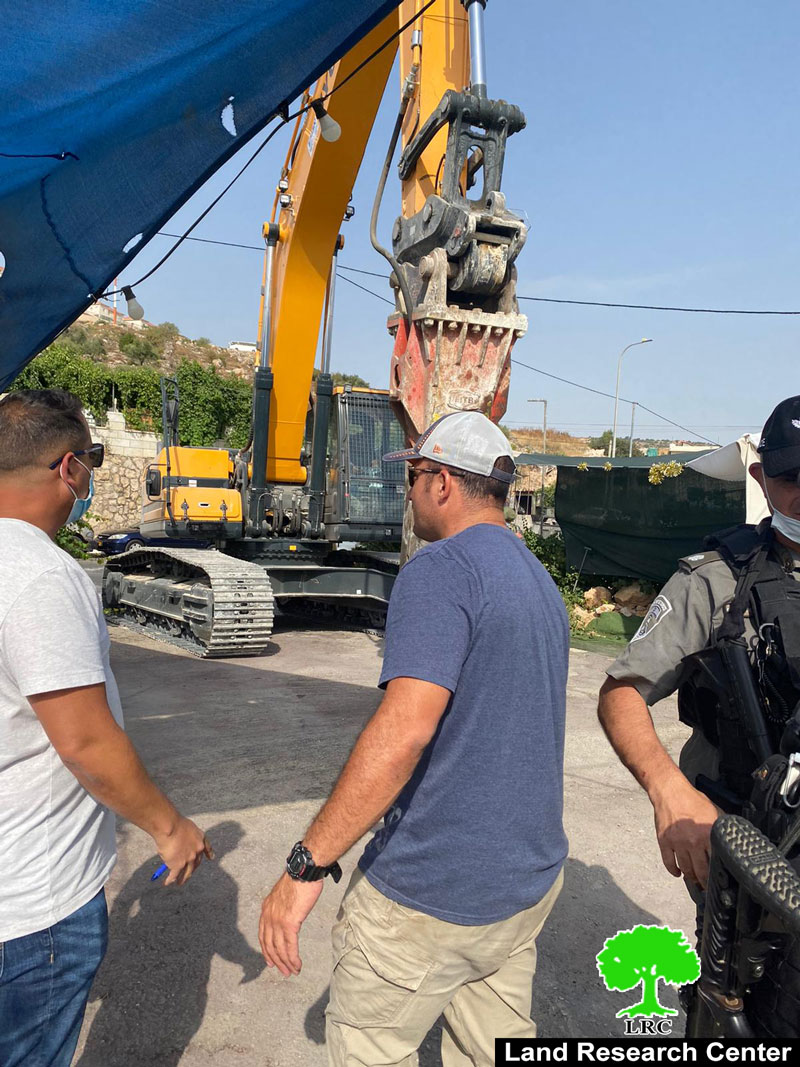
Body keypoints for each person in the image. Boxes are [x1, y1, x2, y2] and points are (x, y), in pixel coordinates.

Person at [259, 410, 569, 1066]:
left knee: (373, 1047)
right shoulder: (538, 581)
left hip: (433, 893)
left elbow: (402, 734)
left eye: (415, 475)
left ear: (444, 484)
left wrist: (305, 865)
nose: (410, 491)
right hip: (521, 887)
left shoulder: (441, 569)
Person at [0, 389, 213, 1067]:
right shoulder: (38, 575)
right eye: (91, 460)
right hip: (34, 904)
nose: (90, 475)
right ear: (68, 469)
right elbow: (86, 742)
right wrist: (170, 827)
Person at [597, 397, 800, 1028]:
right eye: (794, 481)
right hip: (750, 859)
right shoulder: (716, 582)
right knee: (745, 1018)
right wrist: (669, 792)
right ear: (762, 481)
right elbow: (622, 691)